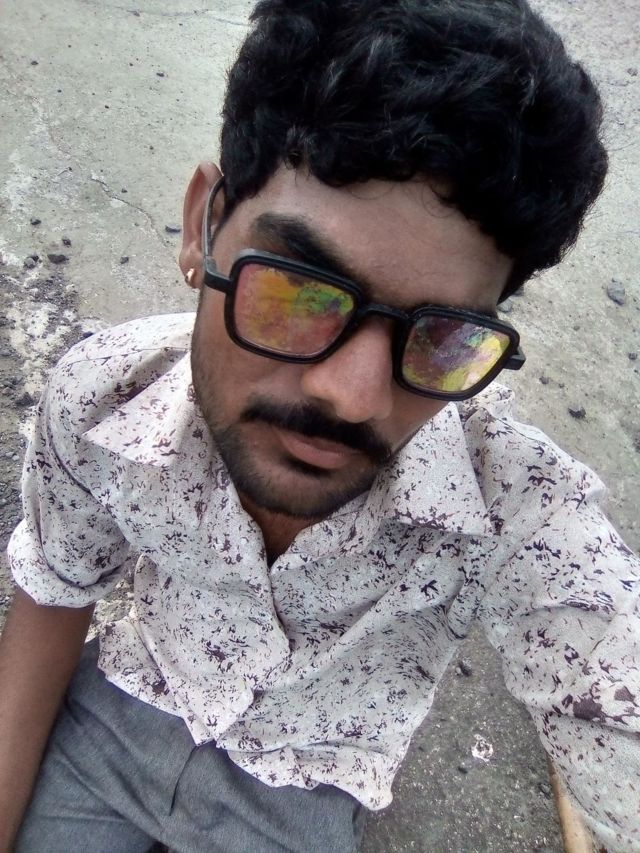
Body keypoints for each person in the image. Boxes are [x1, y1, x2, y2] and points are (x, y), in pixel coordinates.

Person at [1, 0, 638, 850]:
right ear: (203, 226)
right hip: (121, 715)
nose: (354, 396)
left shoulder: (515, 514)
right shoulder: (100, 400)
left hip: (306, 787)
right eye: (299, 287)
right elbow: (54, 589)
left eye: (442, 333)